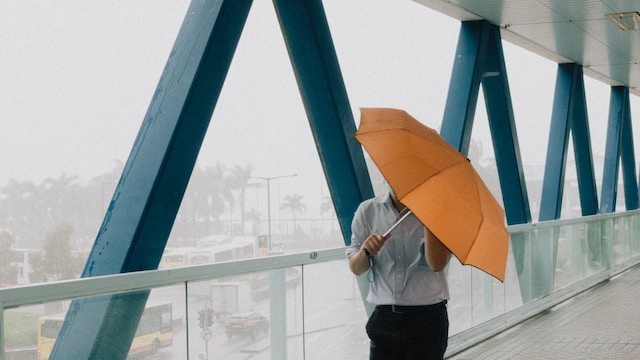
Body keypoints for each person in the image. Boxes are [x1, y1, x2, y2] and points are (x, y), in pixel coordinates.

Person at [346, 185, 451, 360]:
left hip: (428, 321)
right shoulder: (368, 210)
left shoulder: (437, 212)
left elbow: (437, 264)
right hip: (386, 320)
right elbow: (356, 268)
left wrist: (429, 216)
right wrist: (366, 250)